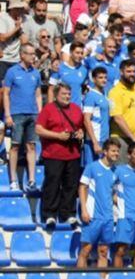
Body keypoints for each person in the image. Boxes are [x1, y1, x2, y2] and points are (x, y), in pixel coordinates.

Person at [36, 83, 84, 228]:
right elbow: (39, 129)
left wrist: (80, 133)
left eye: (69, 94)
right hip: (53, 153)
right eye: (64, 94)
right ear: (56, 95)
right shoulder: (48, 109)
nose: (67, 96)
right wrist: (57, 136)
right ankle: (50, 214)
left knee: (71, 185)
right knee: (53, 184)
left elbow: (80, 127)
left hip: (73, 153)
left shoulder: (76, 109)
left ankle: (68, 213)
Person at [77, 138, 120, 279]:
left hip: (108, 217)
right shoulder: (92, 167)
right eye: (113, 151)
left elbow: (113, 193)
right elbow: (82, 187)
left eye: (118, 151)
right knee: (86, 250)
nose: (116, 154)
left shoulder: (115, 171)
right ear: (105, 151)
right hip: (93, 216)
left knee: (103, 251)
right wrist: (83, 209)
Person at [3, 43, 41, 191]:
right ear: (22, 55)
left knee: (31, 145)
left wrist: (40, 113)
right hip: (16, 113)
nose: (33, 56)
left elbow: (38, 94)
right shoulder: (12, 72)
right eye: (30, 54)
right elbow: (6, 93)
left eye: (34, 54)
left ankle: (31, 180)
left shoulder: (36, 73)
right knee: (15, 146)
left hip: (32, 113)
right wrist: (7, 114)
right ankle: (13, 180)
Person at [109, 59, 135, 161]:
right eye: (128, 71)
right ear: (121, 72)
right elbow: (117, 118)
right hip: (122, 138)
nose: (132, 74)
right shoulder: (114, 92)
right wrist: (133, 138)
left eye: (134, 71)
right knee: (123, 169)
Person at [82, 67, 111, 166]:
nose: (104, 80)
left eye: (105, 77)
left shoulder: (105, 94)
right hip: (95, 139)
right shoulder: (91, 96)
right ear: (94, 79)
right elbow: (86, 119)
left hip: (104, 138)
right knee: (92, 169)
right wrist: (94, 142)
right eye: (100, 77)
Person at [48, 41, 87, 106]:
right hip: (61, 109)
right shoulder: (59, 68)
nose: (80, 55)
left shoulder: (84, 70)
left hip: (77, 109)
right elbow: (51, 89)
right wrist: (50, 109)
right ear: (71, 53)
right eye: (77, 53)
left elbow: (84, 89)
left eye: (81, 53)